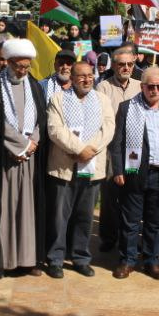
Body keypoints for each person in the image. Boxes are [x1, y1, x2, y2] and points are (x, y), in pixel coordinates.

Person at [0, 38, 48, 277]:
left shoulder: (35, 86)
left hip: (29, 159)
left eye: (26, 66)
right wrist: (20, 145)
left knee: (27, 210)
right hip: (5, 158)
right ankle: (6, 260)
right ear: (8, 63)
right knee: (7, 208)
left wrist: (32, 143)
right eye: (19, 66)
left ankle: (27, 260)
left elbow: (40, 118)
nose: (23, 71)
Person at [45, 60, 114, 278]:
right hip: (64, 167)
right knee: (59, 217)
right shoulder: (58, 99)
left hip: (91, 166)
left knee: (85, 216)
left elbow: (109, 128)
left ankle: (80, 257)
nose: (87, 80)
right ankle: (55, 258)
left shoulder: (102, 100)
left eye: (90, 75)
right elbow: (55, 129)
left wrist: (89, 150)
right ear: (72, 78)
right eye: (81, 76)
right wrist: (78, 149)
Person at [110, 68, 159, 279]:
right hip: (134, 172)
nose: (155, 90)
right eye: (151, 86)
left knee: (155, 222)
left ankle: (152, 261)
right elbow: (117, 142)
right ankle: (127, 260)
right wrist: (118, 169)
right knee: (130, 221)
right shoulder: (127, 107)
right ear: (142, 87)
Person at [97, 45, 142, 251]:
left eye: (130, 64)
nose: (126, 68)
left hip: (135, 150)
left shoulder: (141, 86)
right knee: (109, 197)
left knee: (133, 195)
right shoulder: (103, 88)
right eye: (122, 64)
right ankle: (108, 237)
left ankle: (130, 238)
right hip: (110, 149)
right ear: (114, 65)